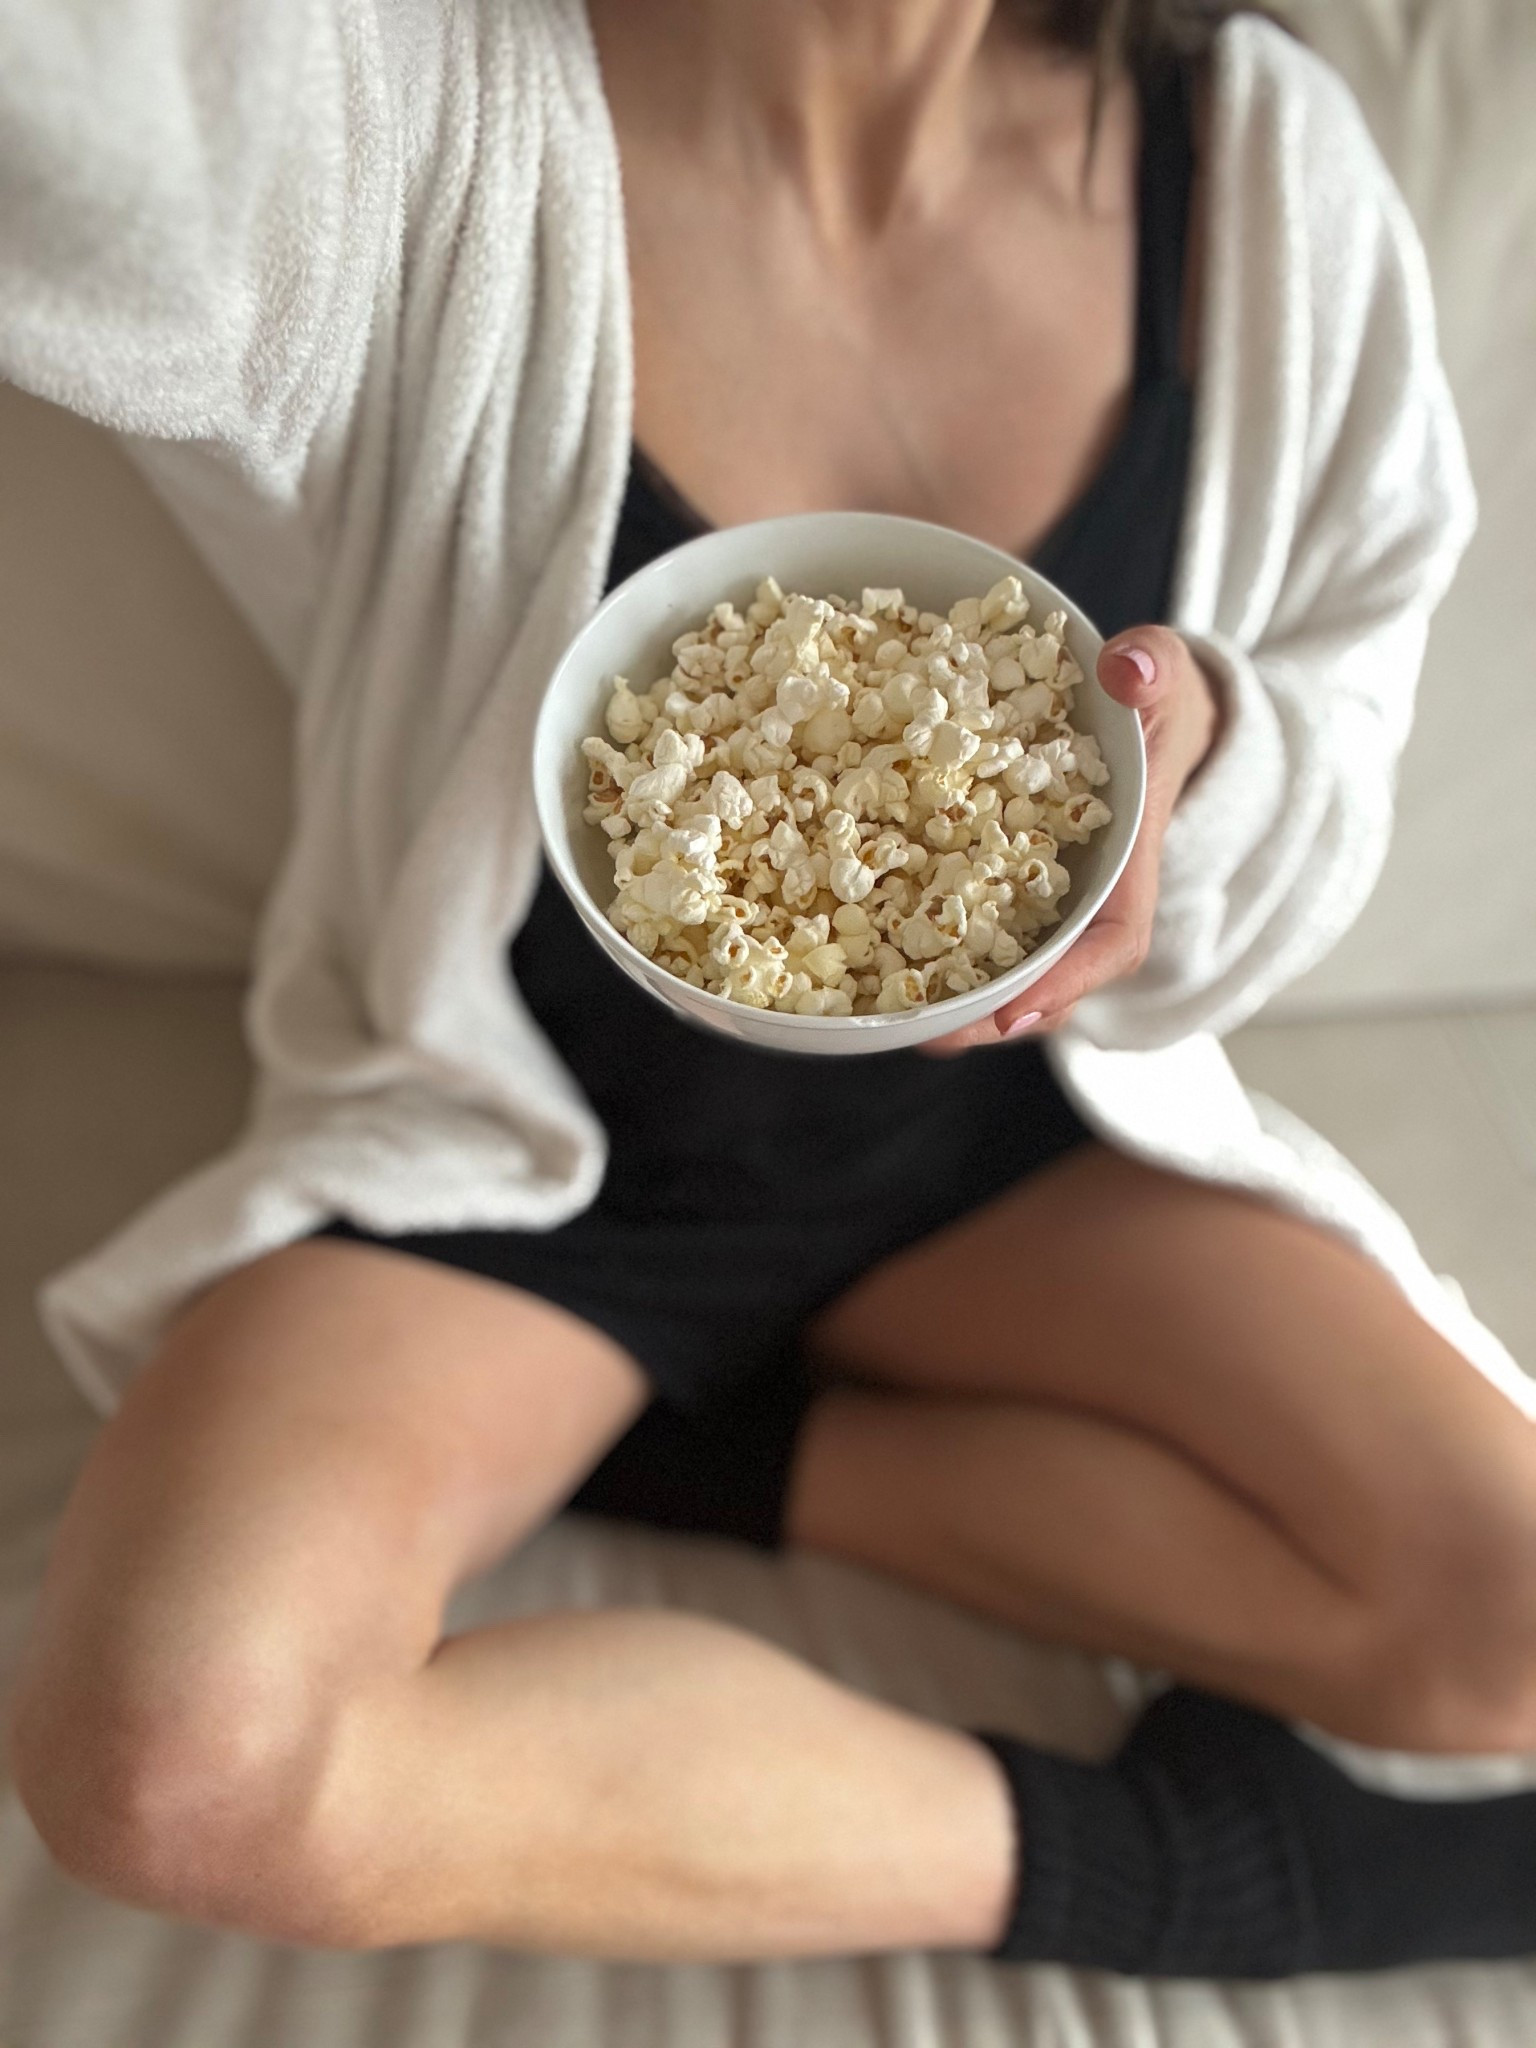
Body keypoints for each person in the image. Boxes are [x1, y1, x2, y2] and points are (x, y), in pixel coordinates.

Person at [5, 0, 1536, 1977]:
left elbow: (1343, 702)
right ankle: (1214, 1874)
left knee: (1511, 1624)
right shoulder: (378, 110)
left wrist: (1210, 751)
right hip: (529, 1151)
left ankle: (731, 1443)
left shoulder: (1261, 172)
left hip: (1018, 1141)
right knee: (175, 1762)